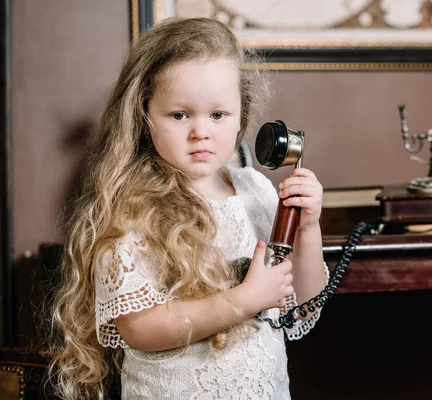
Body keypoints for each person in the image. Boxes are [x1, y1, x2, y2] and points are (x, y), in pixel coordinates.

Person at [48, 17, 329, 399]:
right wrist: (243, 301)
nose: (201, 131)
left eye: (218, 115)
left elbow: (303, 302)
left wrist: (309, 227)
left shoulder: (256, 192)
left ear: (241, 117)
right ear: (145, 119)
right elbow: (140, 329)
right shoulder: (132, 207)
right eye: (179, 115)